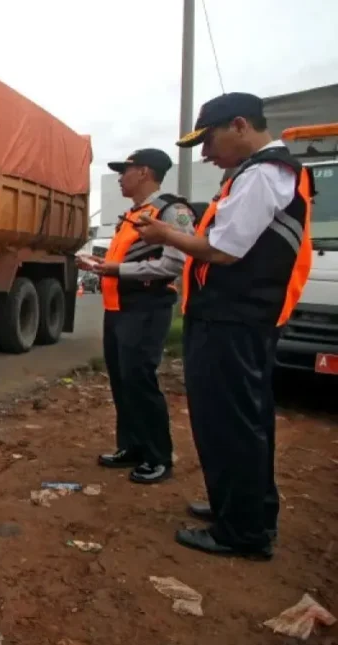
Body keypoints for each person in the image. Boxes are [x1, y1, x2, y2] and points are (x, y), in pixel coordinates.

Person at [135, 92, 315, 560]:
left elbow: (223, 251)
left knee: (230, 424)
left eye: (209, 140)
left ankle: (242, 531)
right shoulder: (259, 175)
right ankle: (242, 510)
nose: (205, 154)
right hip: (234, 317)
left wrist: (164, 235)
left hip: (234, 319)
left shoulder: (262, 175)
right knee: (240, 421)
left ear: (239, 126)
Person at [84, 149, 195, 484]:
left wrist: (118, 269)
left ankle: (158, 456)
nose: (120, 177)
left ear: (145, 172)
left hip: (147, 306)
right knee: (122, 379)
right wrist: (101, 266)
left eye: (125, 171)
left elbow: (174, 264)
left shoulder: (171, 211)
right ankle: (131, 446)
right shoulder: (132, 214)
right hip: (118, 308)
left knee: (140, 380)